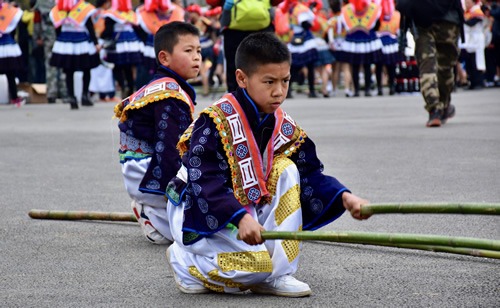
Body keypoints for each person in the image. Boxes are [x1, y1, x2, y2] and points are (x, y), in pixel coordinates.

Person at [164, 32, 369, 297]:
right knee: (253, 269)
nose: (279, 91)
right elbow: (204, 180)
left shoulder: (282, 123)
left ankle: (279, 273)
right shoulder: (214, 121)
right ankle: (184, 260)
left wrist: (345, 197)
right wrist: (239, 217)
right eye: (269, 81)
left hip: (247, 209)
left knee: (288, 168)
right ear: (242, 78)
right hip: (200, 208)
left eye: (285, 81)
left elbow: (310, 172)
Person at [114, 21, 200, 245]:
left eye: (198, 51)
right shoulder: (170, 96)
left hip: (140, 166)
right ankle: (150, 212)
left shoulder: (166, 85)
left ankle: (154, 207)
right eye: (188, 51)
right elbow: (170, 150)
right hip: (147, 171)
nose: (197, 57)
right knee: (195, 236)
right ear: (164, 58)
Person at [398, 0, 464, 127]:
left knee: (427, 66)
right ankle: (443, 106)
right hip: (448, 20)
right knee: (445, 68)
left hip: (421, 20)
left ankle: (434, 109)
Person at [207, 0, 284, 92]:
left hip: (233, 30)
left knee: (234, 67)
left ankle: (235, 99)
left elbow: (211, 2)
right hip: (262, 27)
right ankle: (266, 95)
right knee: (265, 65)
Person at [49, 0, 100, 109]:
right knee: (86, 69)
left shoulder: (59, 7)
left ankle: (72, 97)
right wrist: (95, 42)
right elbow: (89, 26)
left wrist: (60, 40)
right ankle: (84, 95)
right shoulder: (83, 7)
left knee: (69, 71)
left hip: (65, 41)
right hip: (81, 41)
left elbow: (57, 27)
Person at [336, 0, 382, 97]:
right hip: (368, 39)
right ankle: (367, 90)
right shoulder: (373, 8)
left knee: (355, 66)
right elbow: (377, 25)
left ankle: (356, 90)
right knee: (367, 66)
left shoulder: (346, 9)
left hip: (353, 41)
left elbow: (342, 27)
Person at [101, 0, 144, 98]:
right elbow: (139, 29)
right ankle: (130, 87)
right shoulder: (131, 14)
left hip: (117, 43)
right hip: (131, 43)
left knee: (117, 67)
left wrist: (102, 38)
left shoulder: (111, 14)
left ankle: (122, 86)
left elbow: (108, 31)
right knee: (129, 68)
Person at [0, 0, 25, 106]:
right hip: (6, 43)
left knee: (10, 72)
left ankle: (14, 97)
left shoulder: (8, 9)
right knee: (10, 73)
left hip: (6, 43)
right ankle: (14, 97)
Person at [375, 0, 401, 96]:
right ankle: (391, 87)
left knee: (379, 66)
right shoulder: (396, 15)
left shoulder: (377, 14)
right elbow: (398, 31)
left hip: (379, 42)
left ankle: (380, 88)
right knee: (391, 66)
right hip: (391, 43)